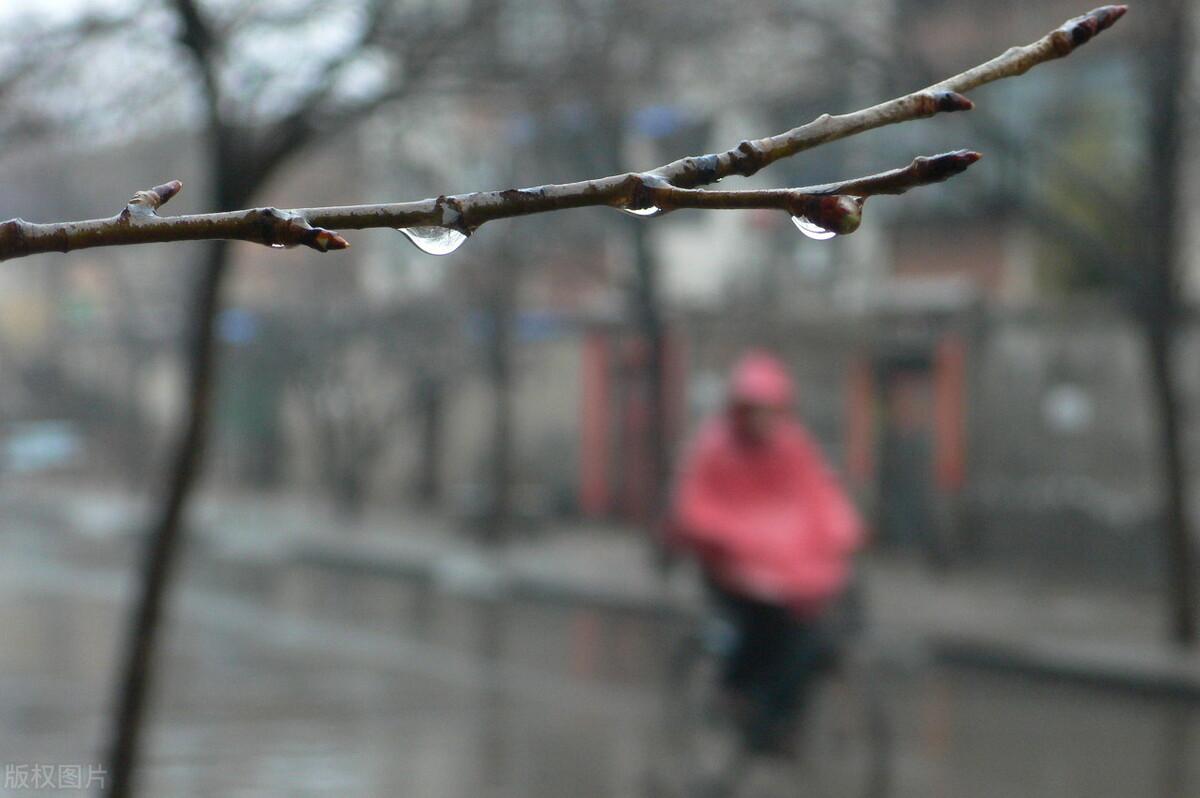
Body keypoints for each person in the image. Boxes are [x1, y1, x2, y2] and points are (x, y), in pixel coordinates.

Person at [670, 350, 864, 752]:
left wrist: (842, 532)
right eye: (754, 410)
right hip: (728, 565)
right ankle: (737, 696)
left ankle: (781, 717)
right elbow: (695, 505)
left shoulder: (792, 446)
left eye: (770, 411)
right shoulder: (714, 447)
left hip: (785, 565)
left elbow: (819, 495)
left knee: (812, 631)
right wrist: (732, 537)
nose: (763, 420)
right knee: (766, 624)